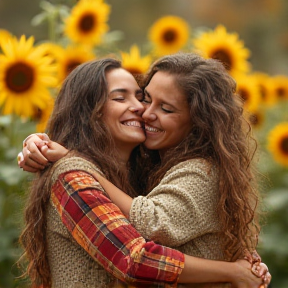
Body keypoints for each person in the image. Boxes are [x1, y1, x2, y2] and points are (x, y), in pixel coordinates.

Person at [18, 56, 270, 288]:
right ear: (88, 114)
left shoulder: (138, 177)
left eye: (140, 97)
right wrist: (232, 272)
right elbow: (133, 260)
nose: (142, 109)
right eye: (121, 98)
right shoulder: (73, 178)